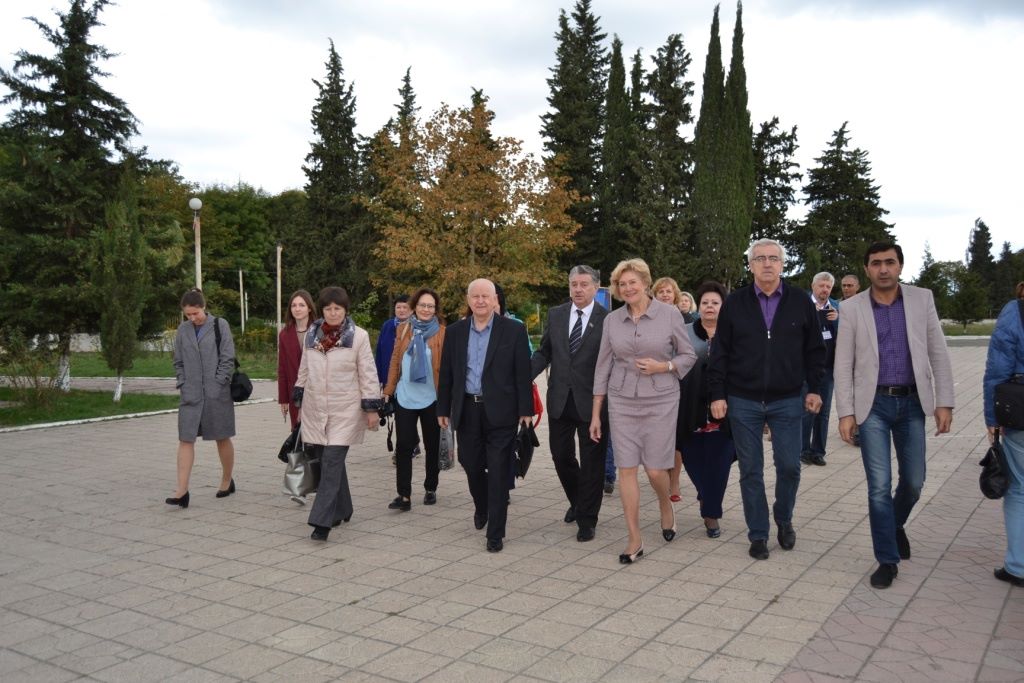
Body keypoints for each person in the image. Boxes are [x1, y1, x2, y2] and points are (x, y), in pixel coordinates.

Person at [835, 242, 954, 589]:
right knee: (878, 487)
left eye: (890, 262)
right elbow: (843, 364)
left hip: (913, 403)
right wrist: (846, 412)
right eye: (876, 263)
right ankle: (887, 559)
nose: (883, 269)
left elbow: (938, 352)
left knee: (914, 482)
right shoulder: (852, 308)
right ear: (867, 269)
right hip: (872, 406)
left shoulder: (921, 299)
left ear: (900, 266)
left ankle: (893, 523)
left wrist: (944, 401)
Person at [708, 238, 826, 561]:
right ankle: (758, 533)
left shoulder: (800, 301)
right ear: (751, 265)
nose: (767, 263)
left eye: (773, 258)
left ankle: (783, 516)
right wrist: (717, 394)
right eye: (760, 258)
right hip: (743, 400)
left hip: (788, 399)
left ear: (783, 264)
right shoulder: (735, 303)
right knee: (751, 470)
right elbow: (720, 353)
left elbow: (815, 350)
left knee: (789, 466)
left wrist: (814, 389)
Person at [590, 259, 696, 564]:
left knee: (653, 469)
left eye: (632, 283)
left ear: (645, 283)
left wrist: (664, 366)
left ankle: (665, 503)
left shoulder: (670, 314)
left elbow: (688, 355)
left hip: (661, 398)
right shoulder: (612, 321)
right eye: (622, 285)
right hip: (622, 399)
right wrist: (597, 413)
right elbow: (602, 366)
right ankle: (634, 538)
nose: (627, 289)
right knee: (626, 468)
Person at [437, 278, 533, 553]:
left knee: (500, 469)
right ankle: (482, 506)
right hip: (467, 409)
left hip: (501, 411)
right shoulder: (454, 332)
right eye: (475, 296)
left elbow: (522, 373)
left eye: (485, 296)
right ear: (468, 300)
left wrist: (525, 409)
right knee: (471, 463)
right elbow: (447, 374)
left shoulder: (513, 330)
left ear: (495, 301)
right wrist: (443, 408)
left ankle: (496, 533)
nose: (480, 301)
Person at [293, 286, 381, 541]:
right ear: (321, 310)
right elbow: (304, 369)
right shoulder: (312, 334)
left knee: (331, 461)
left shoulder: (359, 336)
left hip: (345, 410)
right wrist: (298, 396)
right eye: (328, 308)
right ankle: (344, 508)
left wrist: (371, 409)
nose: (333, 313)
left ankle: (322, 522)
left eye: (337, 309)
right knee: (327, 460)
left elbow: (367, 372)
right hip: (315, 408)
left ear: (345, 310)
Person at [531, 265, 609, 542]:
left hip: (594, 404)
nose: (578, 289)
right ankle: (577, 500)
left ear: (596, 288)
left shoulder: (607, 319)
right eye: (574, 284)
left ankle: (587, 518)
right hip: (560, 401)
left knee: (592, 463)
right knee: (560, 456)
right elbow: (545, 352)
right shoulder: (556, 314)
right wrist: (523, 377)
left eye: (584, 284)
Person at [674, 281, 734, 538]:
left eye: (716, 302)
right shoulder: (683, 331)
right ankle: (704, 493)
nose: (710, 307)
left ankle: (711, 514)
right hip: (689, 411)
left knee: (720, 466)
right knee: (695, 463)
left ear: (724, 306)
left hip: (725, 414)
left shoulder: (734, 332)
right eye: (706, 302)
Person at [166, 288, 237, 508]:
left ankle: (227, 480)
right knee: (185, 439)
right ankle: (181, 490)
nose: (192, 318)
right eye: (188, 314)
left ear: (203, 307)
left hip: (217, 394)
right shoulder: (183, 330)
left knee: (221, 437)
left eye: (195, 313)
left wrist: (218, 383)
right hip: (191, 394)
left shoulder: (220, 325)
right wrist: (182, 382)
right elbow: (178, 361)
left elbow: (227, 358)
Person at [383, 288, 446, 511]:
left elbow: (447, 370)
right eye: (422, 305)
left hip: (432, 399)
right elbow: (394, 361)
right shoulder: (403, 329)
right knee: (403, 446)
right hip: (405, 397)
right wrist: (388, 390)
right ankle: (404, 495)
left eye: (430, 306)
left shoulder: (442, 333)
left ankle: (431, 487)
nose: (426, 309)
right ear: (415, 307)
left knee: (432, 445)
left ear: (435, 309)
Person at [983, 281, 1024, 587]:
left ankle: (1018, 565)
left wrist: (992, 417)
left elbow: (998, 369)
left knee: (1020, 489)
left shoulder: (1015, 311)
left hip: (1020, 413)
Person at [801, 272, 840, 466]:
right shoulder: (802, 304)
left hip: (828, 369)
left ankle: (818, 451)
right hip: (806, 369)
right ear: (813, 286)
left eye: (828, 287)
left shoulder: (837, 307)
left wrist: (837, 321)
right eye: (821, 286)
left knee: (823, 413)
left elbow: (848, 334)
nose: (825, 290)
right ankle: (803, 449)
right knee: (807, 410)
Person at [278, 289, 317, 429]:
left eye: (302, 305)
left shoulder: (319, 331)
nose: (297, 309)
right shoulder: (284, 334)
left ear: (309, 308)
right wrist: (283, 399)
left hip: (318, 391)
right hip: (295, 392)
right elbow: (282, 368)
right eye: (294, 305)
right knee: (298, 432)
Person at [376, 295, 412, 385]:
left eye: (405, 307)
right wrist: (378, 378)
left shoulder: (415, 327)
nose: (401, 310)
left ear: (411, 310)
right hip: (386, 375)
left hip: (406, 379)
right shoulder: (387, 326)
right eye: (398, 307)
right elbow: (379, 352)